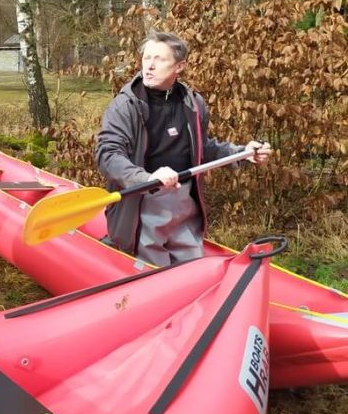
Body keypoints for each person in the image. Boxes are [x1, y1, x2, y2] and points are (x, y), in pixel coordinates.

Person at [96, 31, 272, 266]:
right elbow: (108, 154)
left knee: (190, 269)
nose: (148, 66)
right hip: (143, 202)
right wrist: (145, 178)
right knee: (154, 274)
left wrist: (242, 153)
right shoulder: (125, 105)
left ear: (180, 66)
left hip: (185, 202)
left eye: (159, 59)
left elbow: (203, 147)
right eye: (146, 58)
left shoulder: (193, 103)